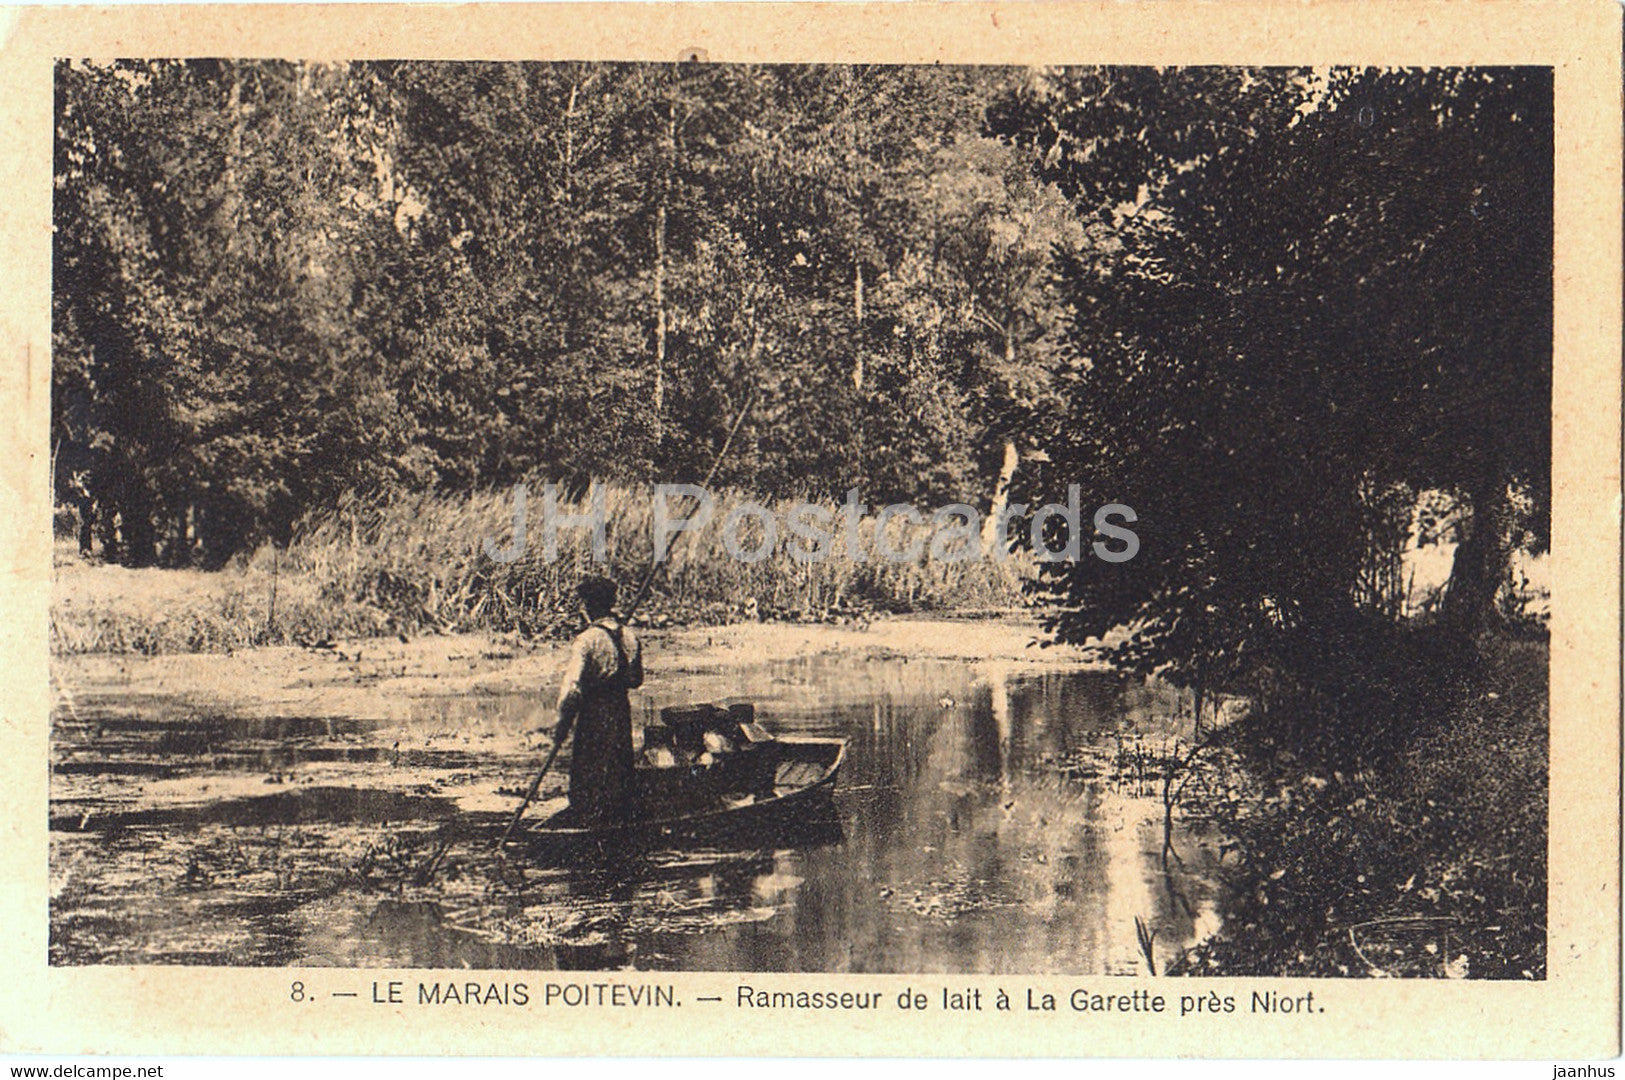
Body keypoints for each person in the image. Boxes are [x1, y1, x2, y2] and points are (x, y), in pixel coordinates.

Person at [550, 575, 643, 826]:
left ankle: (589, 819)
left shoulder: (587, 640)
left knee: (589, 765)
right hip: (619, 709)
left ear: (588, 605)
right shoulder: (630, 637)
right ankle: (617, 818)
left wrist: (562, 724)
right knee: (618, 763)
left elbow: (572, 687)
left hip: (594, 711)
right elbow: (636, 680)